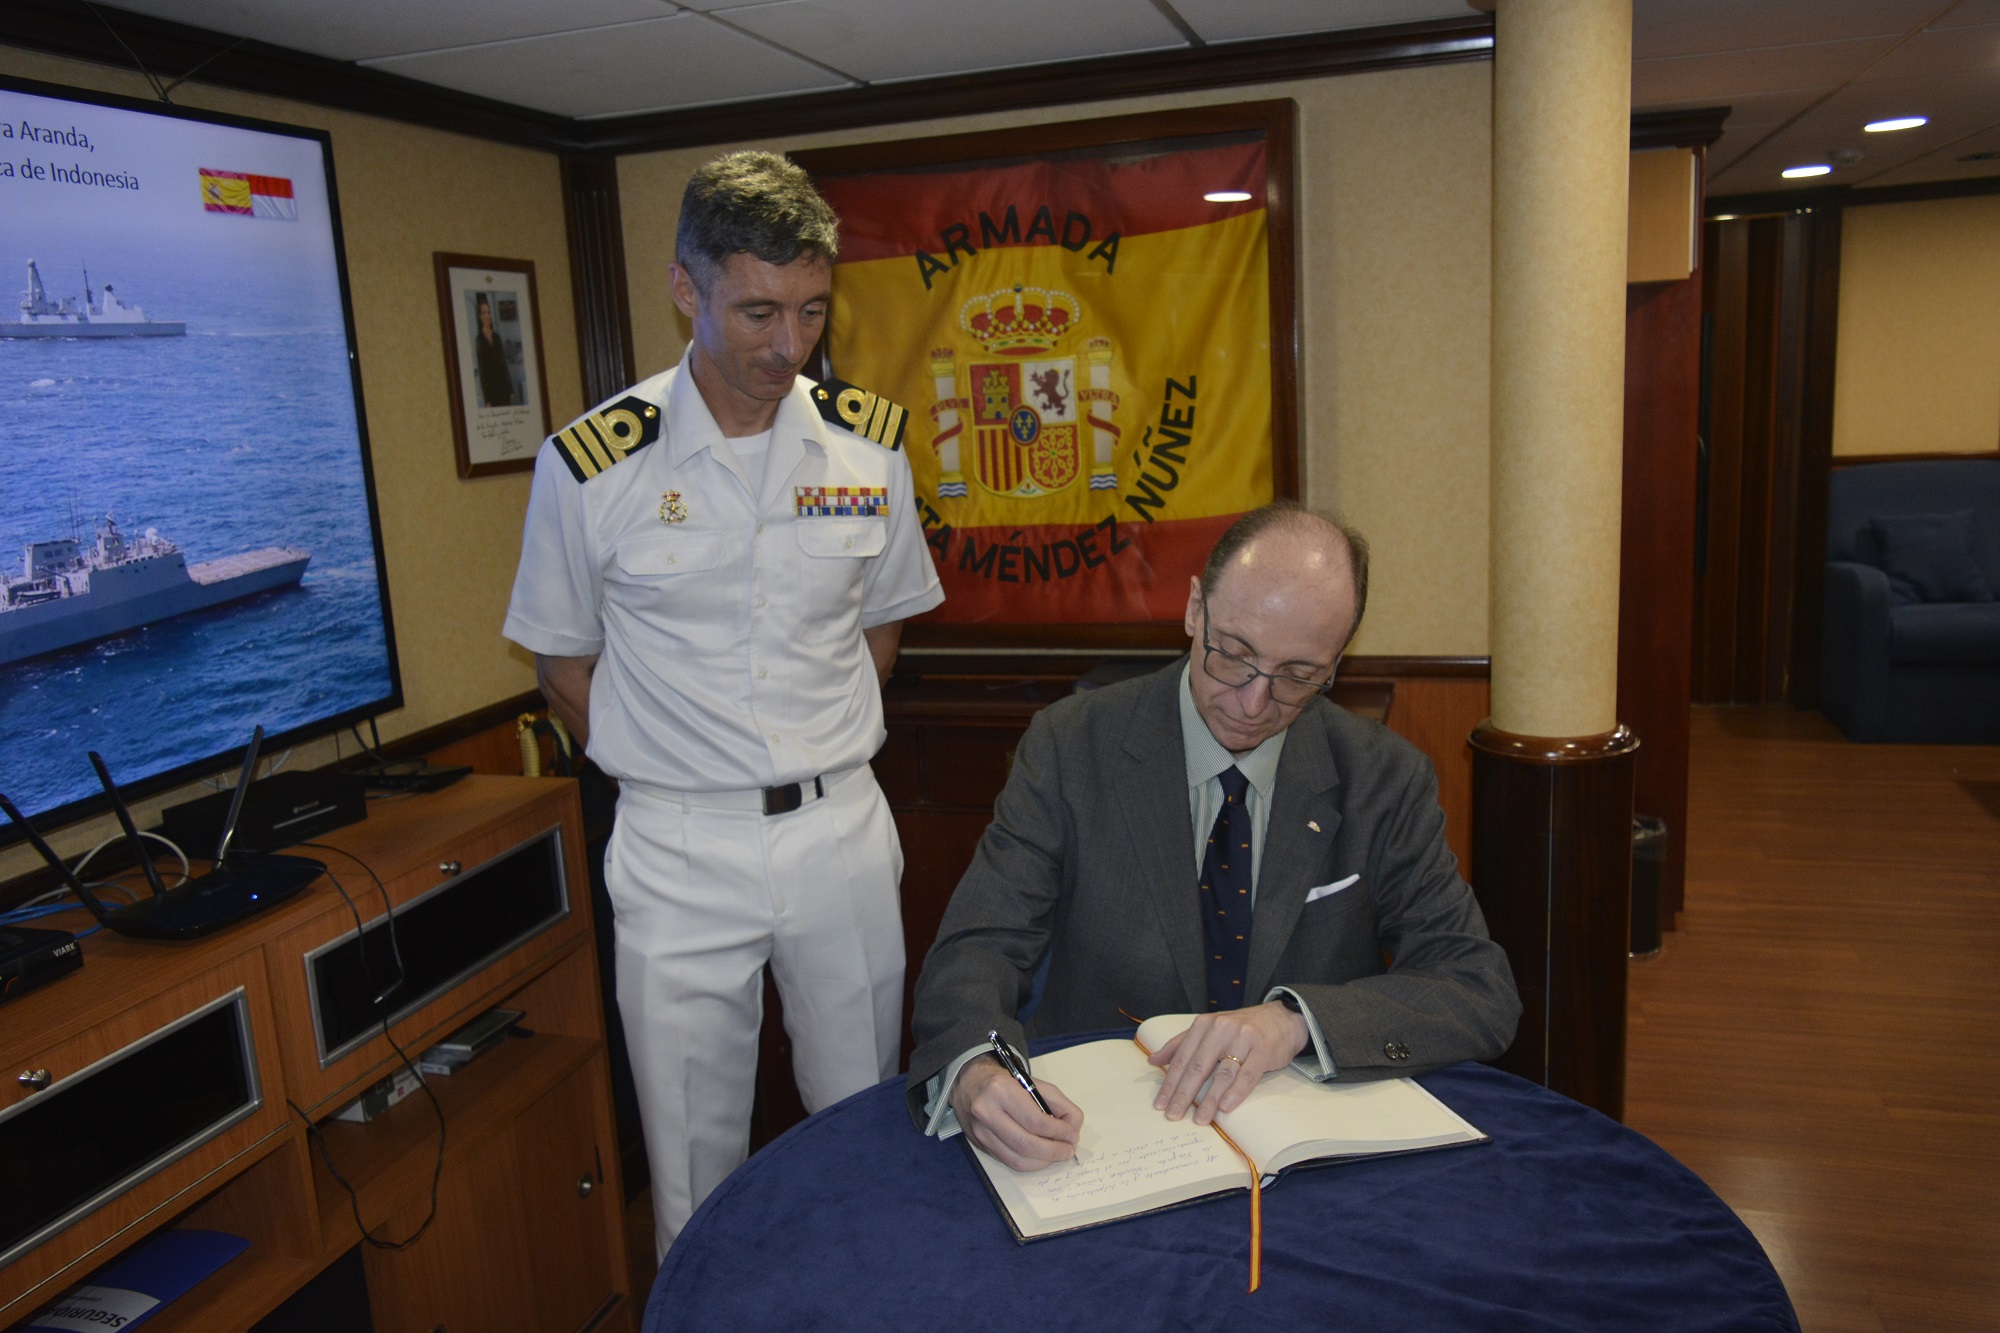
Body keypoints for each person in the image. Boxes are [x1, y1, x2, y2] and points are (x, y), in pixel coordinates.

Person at [503, 150, 943, 1250]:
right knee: (694, 1162)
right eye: (755, 311)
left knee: (860, 1130)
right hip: (677, 847)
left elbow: (877, 626)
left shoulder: (867, 446)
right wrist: (674, 764)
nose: (785, 346)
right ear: (684, 290)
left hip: (838, 830)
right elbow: (562, 664)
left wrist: (808, 748)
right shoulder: (592, 466)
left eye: (807, 310)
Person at [906, 503, 1519, 1171]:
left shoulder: (1381, 777)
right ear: (1195, 608)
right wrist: (975, 1070)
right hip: (1100, 1140)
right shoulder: (1072, 745)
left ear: (1336, 661)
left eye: (1298, 675)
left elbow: (1476, 989)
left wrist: (1293, 1020)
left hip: (1294, 1145)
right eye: (1235, 654)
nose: (1254, 703)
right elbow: (979, 944)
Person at [472, 294, 516, 407]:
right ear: (480, 316)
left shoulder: (497, 337)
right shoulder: (479, 340)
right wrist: (487, 399)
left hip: (504, 388)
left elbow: (503, 364)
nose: (486, 316)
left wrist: (510, 390)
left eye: (488, 313)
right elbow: (482, 371)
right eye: (483, 313)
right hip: (492, 392)